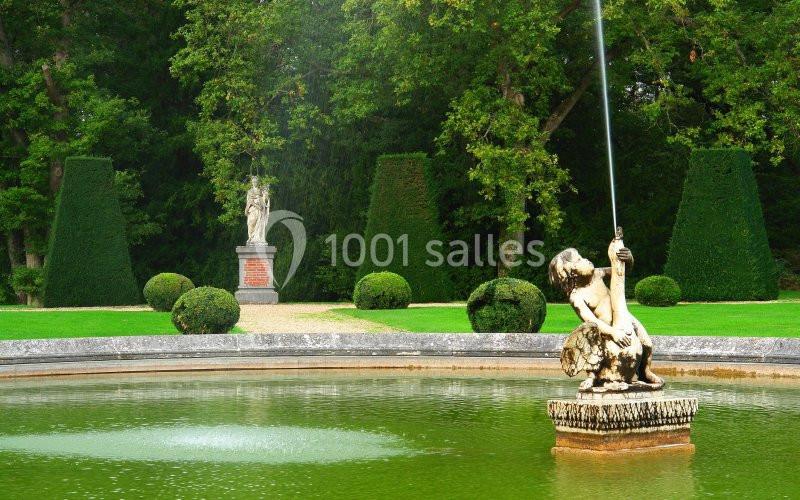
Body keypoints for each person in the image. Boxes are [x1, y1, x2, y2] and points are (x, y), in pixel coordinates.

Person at [549, 245, 662, 389]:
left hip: (623, 316)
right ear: (571, 273)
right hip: (604, 329)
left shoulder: (598, 273)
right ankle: (592, 376)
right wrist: (613, 332)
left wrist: (628, 259)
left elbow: (620, 271)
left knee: (647, 343)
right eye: (579, 259)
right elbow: (591, 321)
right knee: (592, 345)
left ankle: (645, 371)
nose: (586, 259)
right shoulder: (577, 296)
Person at [245, 176, 269, 244]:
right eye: (253, 182)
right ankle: (250, 237)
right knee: (251, 222)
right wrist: (255, 203)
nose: (255, 183)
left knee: (259, 224)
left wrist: (265, 195)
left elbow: (265, 199)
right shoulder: (250, 191)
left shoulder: (260, 191)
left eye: (256, 182)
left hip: (259, 210)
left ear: (257, 182)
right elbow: (248, 201)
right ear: (252, 182)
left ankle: (258, 237)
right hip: (252, 209)